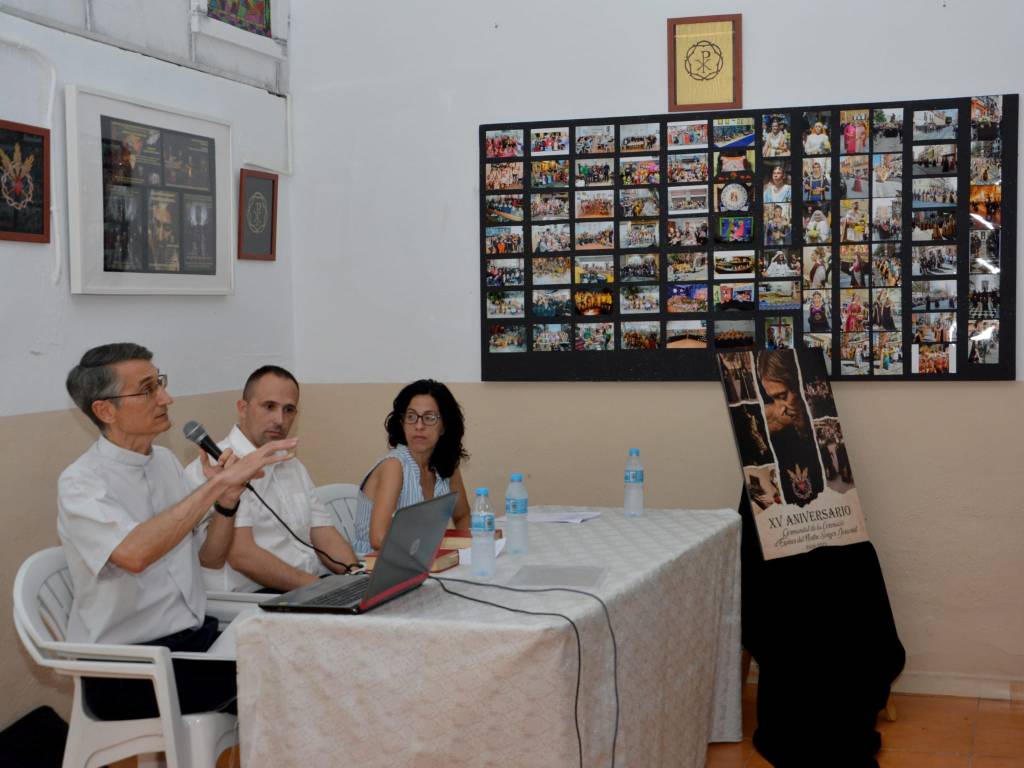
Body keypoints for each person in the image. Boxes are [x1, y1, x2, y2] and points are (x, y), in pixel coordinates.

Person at [58, 343, 295, 720]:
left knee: (300, 646)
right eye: (148, 389)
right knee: (283, 677)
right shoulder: (81, 482)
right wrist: (216, 485)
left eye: (161, 383)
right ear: (105, 410)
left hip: (191, 642)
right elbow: (134, 554)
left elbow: (209, 558)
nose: (166, 398)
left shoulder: (166, 462)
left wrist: (227, 501)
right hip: (128, 667)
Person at [185, 366, 358, 592]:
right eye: (269, 407)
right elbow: (242, 556)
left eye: (289, 410)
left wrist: (356, 575)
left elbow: (323, 532)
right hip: (254, 597)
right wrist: (320, 589)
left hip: (308, 585)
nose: (280, 419)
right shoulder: (213, 466)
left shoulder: (291, 463)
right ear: (243, 408)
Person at [353, 380, 471, 554]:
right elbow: (378, 539)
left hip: (421, 558)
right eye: (411, 417)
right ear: (402, 422)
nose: (419, 426)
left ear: (444, 426)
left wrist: (465, 552)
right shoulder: (394, 466)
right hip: (375, 562)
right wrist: (430, 552)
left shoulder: (446, 464)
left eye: (429, 418)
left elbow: (462, 516)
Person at [756, 351, 825, 507]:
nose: (781, 409)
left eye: (782, 396)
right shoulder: (779, 426)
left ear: (798, 385)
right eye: (773, 398)